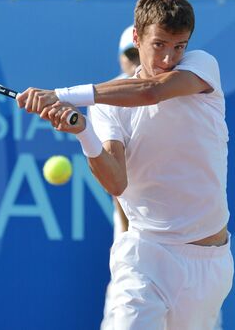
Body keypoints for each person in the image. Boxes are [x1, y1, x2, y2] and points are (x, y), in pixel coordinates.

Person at [17, 0, 233, 329]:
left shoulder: (201, 67)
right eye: (158, 45)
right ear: (137, 37)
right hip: (145, 255)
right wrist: (83, 133)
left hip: (210, 262)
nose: (168, 59)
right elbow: (116, 181)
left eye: (179, 47)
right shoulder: (109, 106)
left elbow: (151, 91)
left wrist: (61, 95)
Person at [99, 24, 139, 330]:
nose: (136, 60)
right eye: (130, 55)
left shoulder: (179, 85)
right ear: (121, 59)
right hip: (135, 239)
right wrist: (128, 236)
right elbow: (117, 179)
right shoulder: (109, 97)